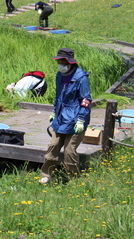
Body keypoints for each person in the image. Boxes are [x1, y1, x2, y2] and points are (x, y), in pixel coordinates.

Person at [39, 48, 92, 184]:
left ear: (69, 63)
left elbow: (85, 100)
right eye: (58, 61)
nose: (59, 64)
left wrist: (81, 120)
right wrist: (54, 112)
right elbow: (58, 96)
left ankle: (73, 178)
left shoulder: (81, 78)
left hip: (75, 119)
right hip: (61, 117)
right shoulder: (59, 75)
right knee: (53, 145)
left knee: (69, 150)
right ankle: (47, 175)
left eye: (62, 61)